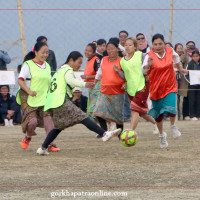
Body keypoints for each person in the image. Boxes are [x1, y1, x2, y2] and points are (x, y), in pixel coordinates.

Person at [36, 51, 121, 155]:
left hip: (52, 103)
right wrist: (85, 84)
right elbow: (71, 81)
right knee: (82, 117)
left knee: (58, 127)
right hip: (60, 100)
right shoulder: (67, 69)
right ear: (71, 60)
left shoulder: (59, 71)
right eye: (79, 62)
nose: (79, 65)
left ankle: (42, 148)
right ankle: (104, 134)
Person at [142, 33, 188, 148]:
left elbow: (176, 58)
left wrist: (180, 68)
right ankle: (162, 136)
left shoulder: (170, 50)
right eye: (155, 44)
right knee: (158, 116)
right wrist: (148, 66)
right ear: (152, 45)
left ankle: (173, 126)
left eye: (160, 43)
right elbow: (143, 71)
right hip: (156, 89)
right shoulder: (149, 56)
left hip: (170, 85)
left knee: (172, 109)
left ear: (164, 43)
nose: (158, 46)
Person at [17, 41, 60, 152]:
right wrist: (29, 91)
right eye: (43, 52)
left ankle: (51, 144)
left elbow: (50, 82)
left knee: (48, 118)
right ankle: (28, 136)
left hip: (44, 98)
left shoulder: (47, 66)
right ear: (35, 52)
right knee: (32, 122)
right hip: (28, 97)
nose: (45, 55)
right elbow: (20, 80)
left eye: (47, 53)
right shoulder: (28, 65)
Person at [114, 37, 158, 133]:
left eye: (130, 45)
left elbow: (148, 65)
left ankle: (130, 132)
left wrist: (148, 65)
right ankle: (156, 123)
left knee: (134, 109)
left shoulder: (140, 55)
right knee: (142, 112)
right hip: (131, 88)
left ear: (135, 47)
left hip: (142, 86)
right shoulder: (122, 61)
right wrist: (118, 72)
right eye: (126, 45)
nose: (127, 47)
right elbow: (125, 76)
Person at [94, 41, 125, 134]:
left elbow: (126, 76)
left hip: (117, 92)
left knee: (118, 117)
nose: (110, 50)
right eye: (108, 49)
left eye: (112, 48)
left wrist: (119, 71)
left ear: (117, 49)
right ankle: (105, 132)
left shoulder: (122, 61)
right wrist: (95, 81)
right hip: (104, 91)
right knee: (98, 112)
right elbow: (100, 71)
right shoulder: (104, 59)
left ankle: (121, 135)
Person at [179, 41, 196, 120]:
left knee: (194, 97)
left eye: (192, 46)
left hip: (195, 79)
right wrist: (185, 53)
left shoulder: (197, 55)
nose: (191, 48)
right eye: (189, 46)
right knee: (186, 97)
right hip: (186, 79)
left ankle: (194, 114)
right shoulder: (185, 56)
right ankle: (185, 115)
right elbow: (180, 62)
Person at [186, 50, 200, 120]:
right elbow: (186, 74)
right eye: (194, 56)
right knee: (192, 100)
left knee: (198, 100)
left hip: (199, 85)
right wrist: (190, 81)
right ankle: (192, 115)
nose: (195, 58)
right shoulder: (189, 64)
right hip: (191, 85)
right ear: (192, 57)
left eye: (197, 56)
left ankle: (198, 114)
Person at [174, 43, 184, 120]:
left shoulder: (184, 57)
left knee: (179, 97)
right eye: (178, 48)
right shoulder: (173, 57)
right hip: (173, 78)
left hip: (181, 79)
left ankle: (179, 115)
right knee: (175, 97)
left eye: (181, 48)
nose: (180, 50)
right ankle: (175, 115)